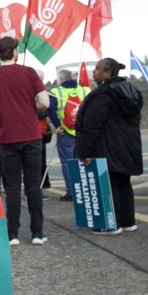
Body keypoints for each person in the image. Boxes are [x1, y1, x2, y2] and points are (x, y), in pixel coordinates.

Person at [0, 36, 50, 246]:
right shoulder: (29, 72)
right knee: (33, 185)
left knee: (12, 187)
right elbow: (45, 102)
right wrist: (31, 108)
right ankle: (37, 233)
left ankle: (12, 234)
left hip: (7, 138)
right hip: (31, 135)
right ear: (15, 52)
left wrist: (0, 129)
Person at [75, 57, 143, 235]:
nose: (94, 72)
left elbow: (92, 126)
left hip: (107, 145)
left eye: (97, 69)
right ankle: (128, 221)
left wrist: (84, 152)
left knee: (109, 184)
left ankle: (109, 224)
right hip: (127, 146)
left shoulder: (104, 95)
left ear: (107, 73)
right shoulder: (130, 91)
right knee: (123, 183)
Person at [50, 68, 91, 201]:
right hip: (83, 132)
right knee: (85, 161)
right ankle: (87, 191)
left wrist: (57, 126)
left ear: (61, 79)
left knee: (68, 164)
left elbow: (51, 110)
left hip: (65, 131)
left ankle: (72, 193)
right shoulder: (85, 90)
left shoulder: (56, 91)